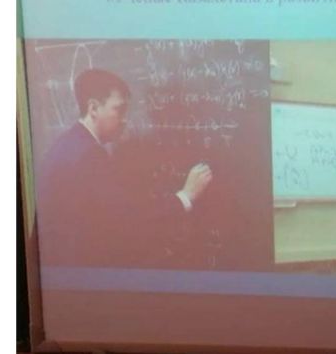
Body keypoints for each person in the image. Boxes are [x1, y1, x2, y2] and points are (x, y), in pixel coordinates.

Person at [36, 69, 213, 267]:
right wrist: (185, 197)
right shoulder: (89, 156)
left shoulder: (68, 145)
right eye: (118, 110)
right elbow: (125, 219)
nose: (124, 119)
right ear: (93, 108)